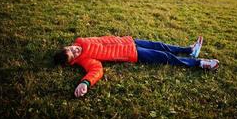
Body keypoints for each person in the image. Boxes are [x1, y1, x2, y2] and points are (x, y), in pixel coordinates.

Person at [54, 36, 219, 97]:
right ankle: (199, 63)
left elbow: (102, 39)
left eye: (71, 49)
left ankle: (190, 50)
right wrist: (85, 82)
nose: (75, 50)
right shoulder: (84, 59)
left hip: (129, 41)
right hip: (132, 54)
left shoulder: (81, 41)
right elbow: (96, 70)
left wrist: (123, 39)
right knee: (165, 57)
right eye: (73, 55)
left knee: (161, 45)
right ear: (73, 61)